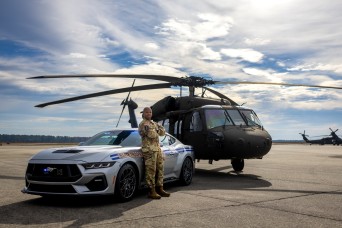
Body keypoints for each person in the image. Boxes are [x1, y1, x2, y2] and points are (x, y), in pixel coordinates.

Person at [139, 107, 170, 199]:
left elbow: (163, 132)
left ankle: (160, 188)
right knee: (151, 171)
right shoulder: (142, 124)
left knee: (160, 169)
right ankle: (151, 191)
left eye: (150, 112)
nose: (148, 113)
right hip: (149, 150)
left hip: (157, 149)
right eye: (147, 112)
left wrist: (156, 130)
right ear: (143, 114)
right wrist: (157, 131)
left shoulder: (153, 123)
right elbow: (150, 134)